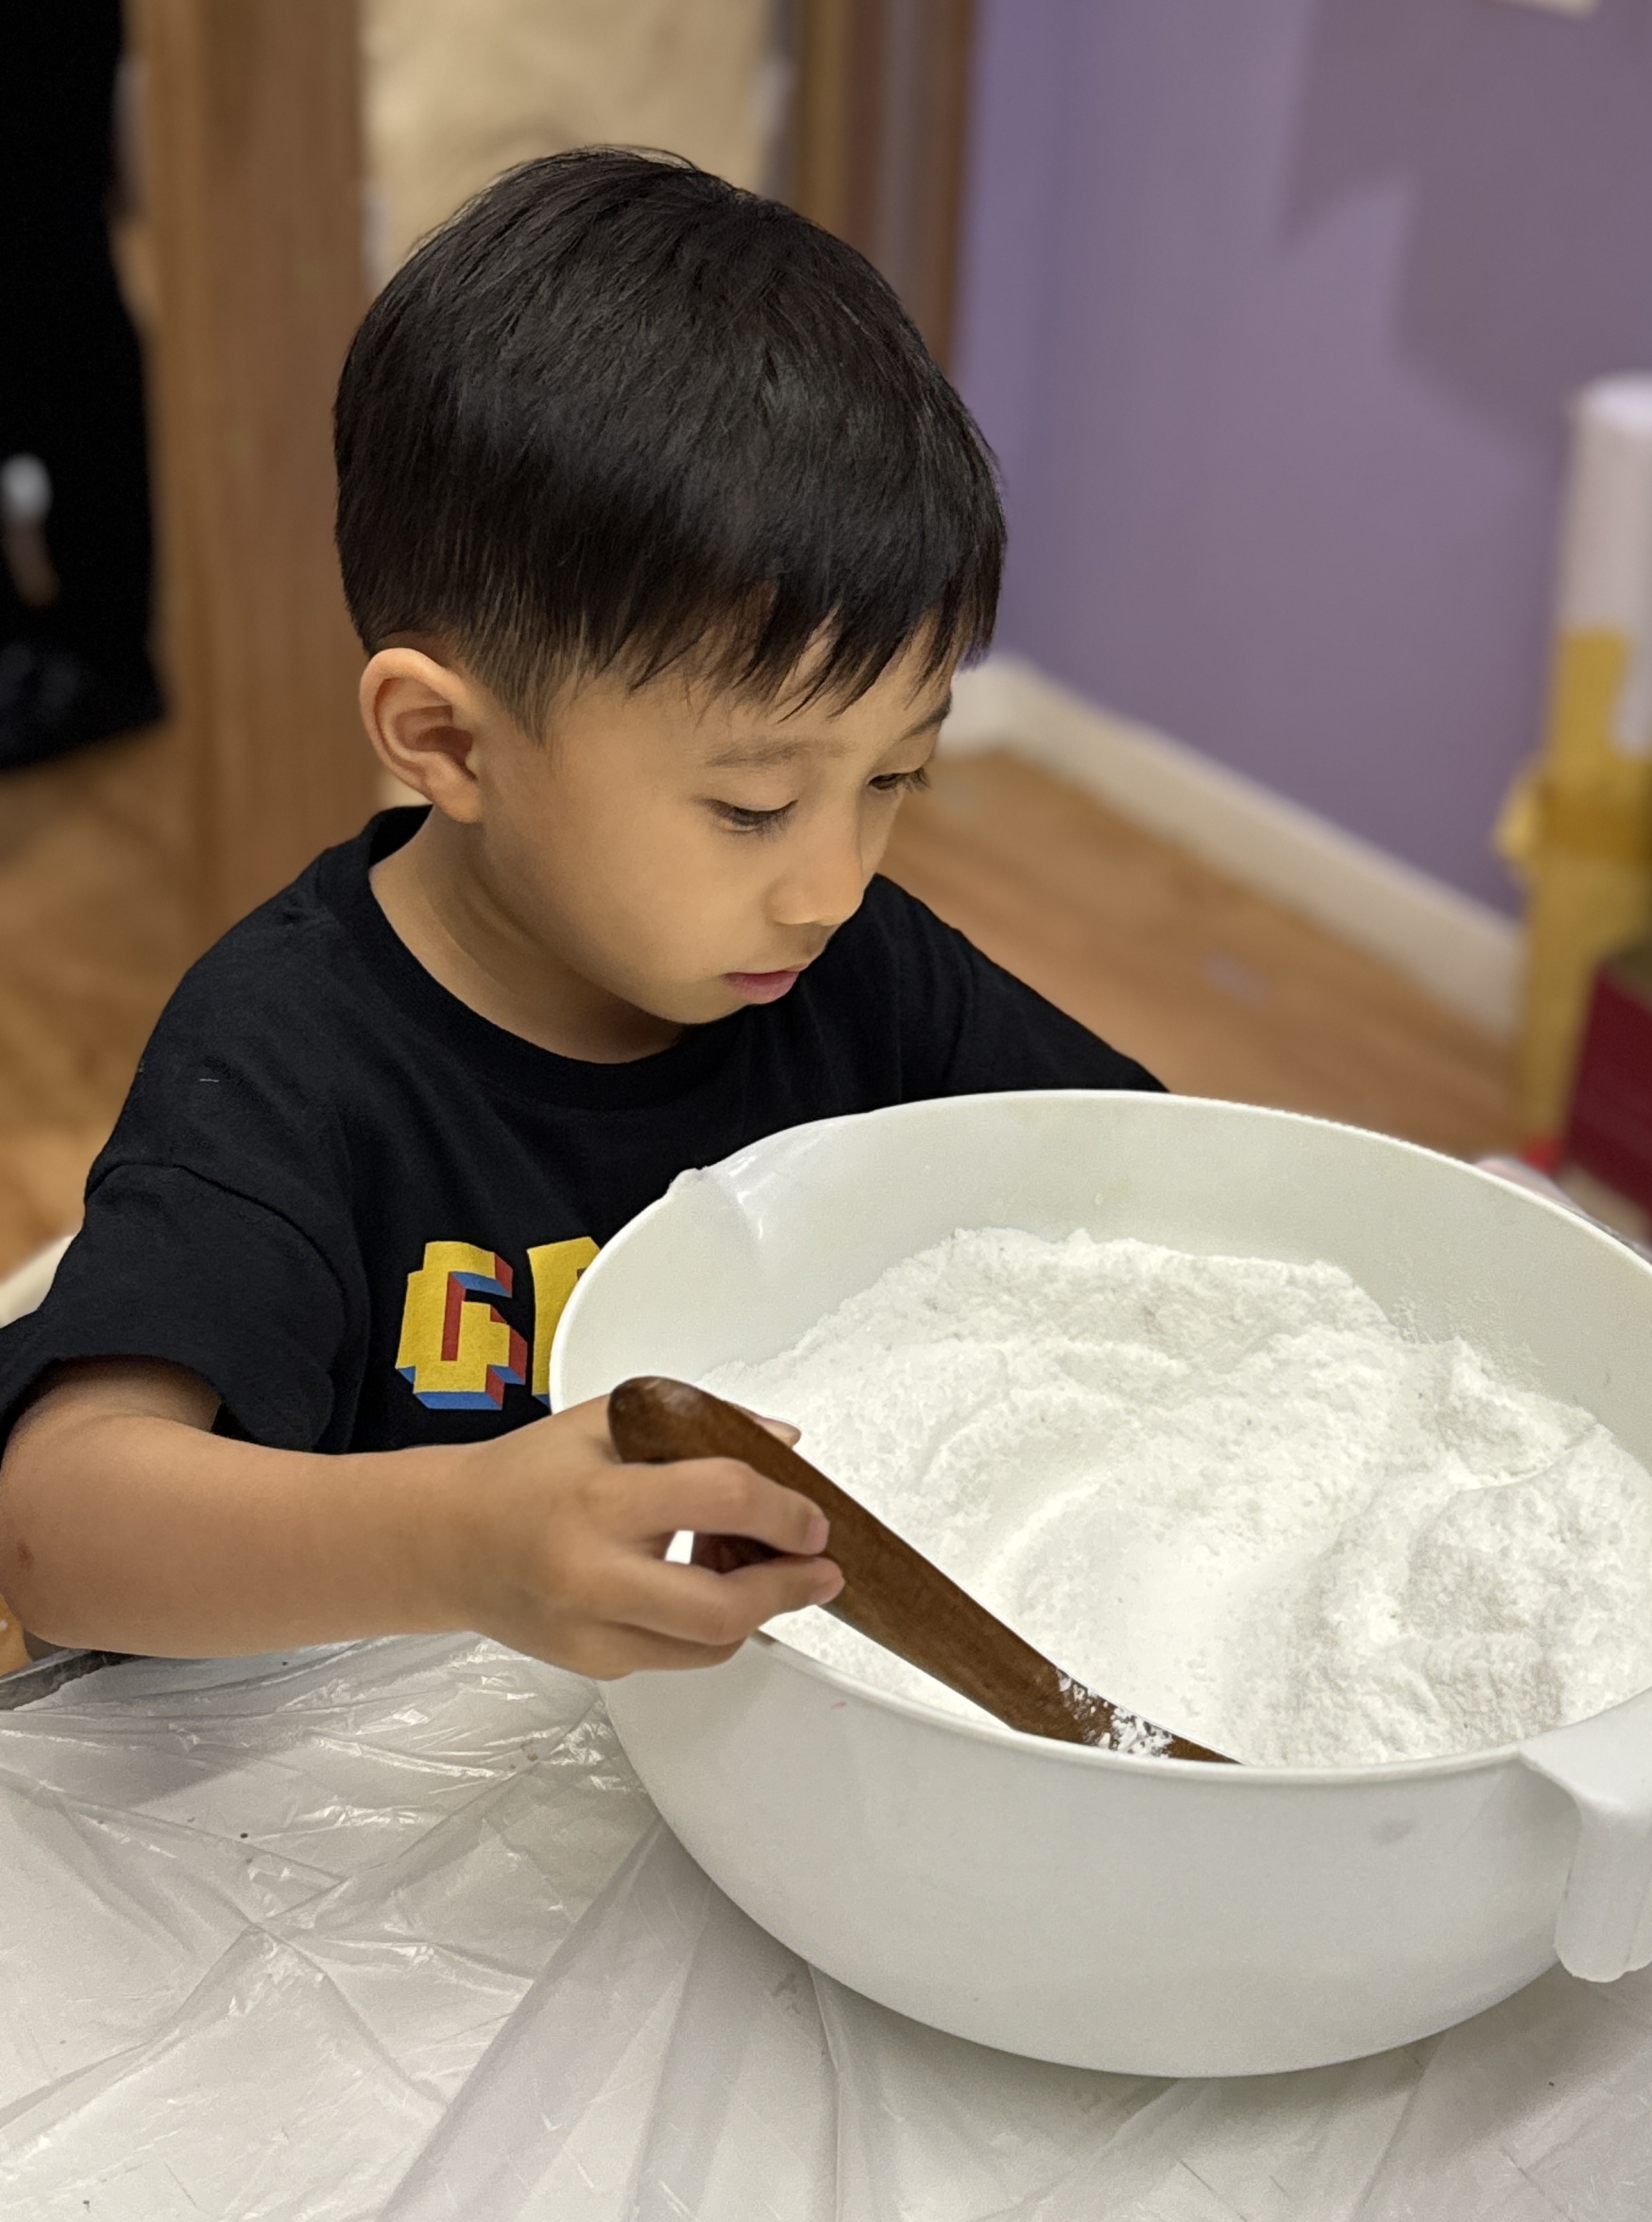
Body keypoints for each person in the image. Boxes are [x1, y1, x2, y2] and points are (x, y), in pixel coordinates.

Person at [0, 150, 1156, 1680]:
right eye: (752, 805)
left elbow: (1164, 1197)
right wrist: (459, 1544)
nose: (832, 886)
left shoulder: (860, 974)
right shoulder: (290, 1059)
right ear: (448, 742)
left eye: (896, 778)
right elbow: (55, 1533)